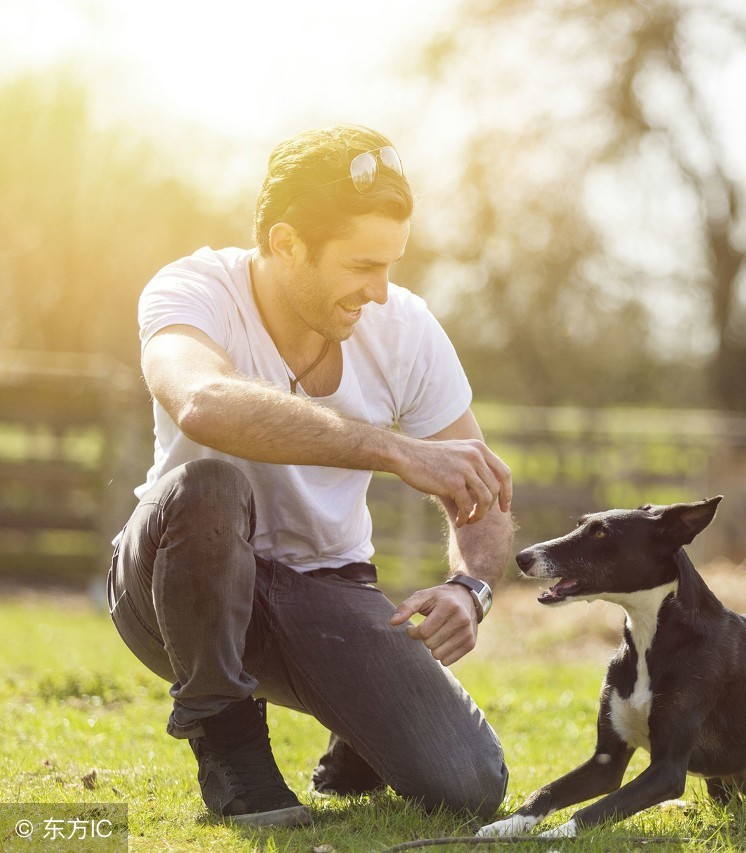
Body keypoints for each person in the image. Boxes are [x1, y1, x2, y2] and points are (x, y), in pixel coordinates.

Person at [106, 125, 514, 828]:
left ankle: (354, 720)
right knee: (208, 487)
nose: (381, 291)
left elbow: (480, 484)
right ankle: (231, 751)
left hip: (324, 591)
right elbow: (202, 401)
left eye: (391, 265)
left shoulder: (407, 329)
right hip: (173, 585)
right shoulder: (192, 290)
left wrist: (470, 585)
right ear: (286, 243)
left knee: (470, 782)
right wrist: (392, 451)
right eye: (362, 265)